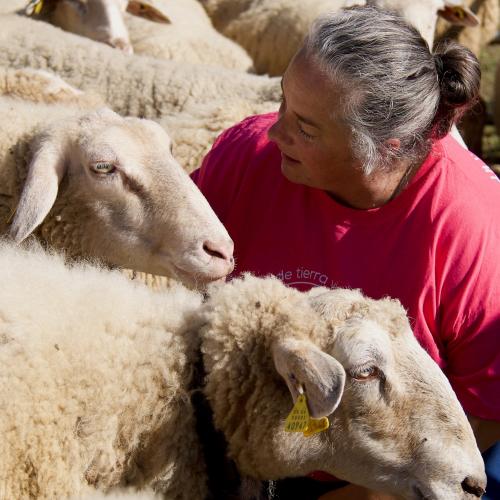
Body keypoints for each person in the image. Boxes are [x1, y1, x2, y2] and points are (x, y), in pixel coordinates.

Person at [191, 6, 500, 499]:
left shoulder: (471, 226)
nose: (275, 132)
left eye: (306, 129)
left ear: (384, 148)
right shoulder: (245, 158)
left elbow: (487, 409)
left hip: (387, 476)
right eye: (282, 103)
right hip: (243, 449)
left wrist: (364, 494)